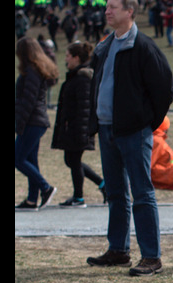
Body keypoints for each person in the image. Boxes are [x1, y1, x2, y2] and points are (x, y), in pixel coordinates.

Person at [85, 0, 173, 276]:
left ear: (130, 11)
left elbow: (165, 89)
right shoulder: (104, 46)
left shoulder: (144, 47)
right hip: (107, 129)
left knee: (141, 192)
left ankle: (151, 256)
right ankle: (119, 250)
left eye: (113, 7)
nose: (107, 11)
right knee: (115, 193)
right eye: (107, 7)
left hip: (134, 132)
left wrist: (145, 122)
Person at [52, 41, 107, 208]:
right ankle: (103, 185)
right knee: (71, 160)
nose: (65, 60)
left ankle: (79, 197)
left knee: (73, 160)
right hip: (73, 128)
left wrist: (82, 130)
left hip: (78, 129)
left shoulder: (83, 79)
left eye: (68, 56)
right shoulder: (75, 76)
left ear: (76, 58)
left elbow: (85, 107)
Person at [15, 36, 60, 211]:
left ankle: (46, 188)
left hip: (32, 121)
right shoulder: (37, 69)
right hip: (36, 121)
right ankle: (32, 199)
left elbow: (28, 100)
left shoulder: (32, 71)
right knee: (30, 160)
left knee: (18, 158)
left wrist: (19, 124)